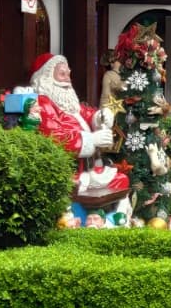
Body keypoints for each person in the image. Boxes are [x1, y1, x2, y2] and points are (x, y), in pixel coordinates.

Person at [27, 53, 129, 200]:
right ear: (46, 78)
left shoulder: (68, 103)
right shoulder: (43, 103)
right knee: (109, 186)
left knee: (121, 180)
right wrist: (92, 140)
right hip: (68, 172)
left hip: (88, 169)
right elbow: (55, 137)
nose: (68, 79)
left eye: (68, 74)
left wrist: (101, 116)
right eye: (62, 74)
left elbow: (87, 113)